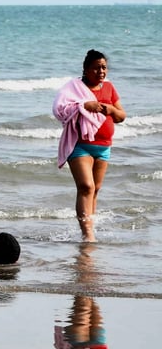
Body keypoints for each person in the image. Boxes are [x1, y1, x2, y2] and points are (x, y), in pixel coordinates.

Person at [52, 49, 126, 242]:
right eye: (96, 68)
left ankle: (88, 229)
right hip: (80, 145)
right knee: (86, 186)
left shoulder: (109, 87)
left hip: (104, 147)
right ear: (85, 69)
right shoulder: (74, 88)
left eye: (104, 67)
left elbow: (121, 116)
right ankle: (88, 235)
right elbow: (59, 109)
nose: (101, 71)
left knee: (95, 189)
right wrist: (84, 106)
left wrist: (111, 109)